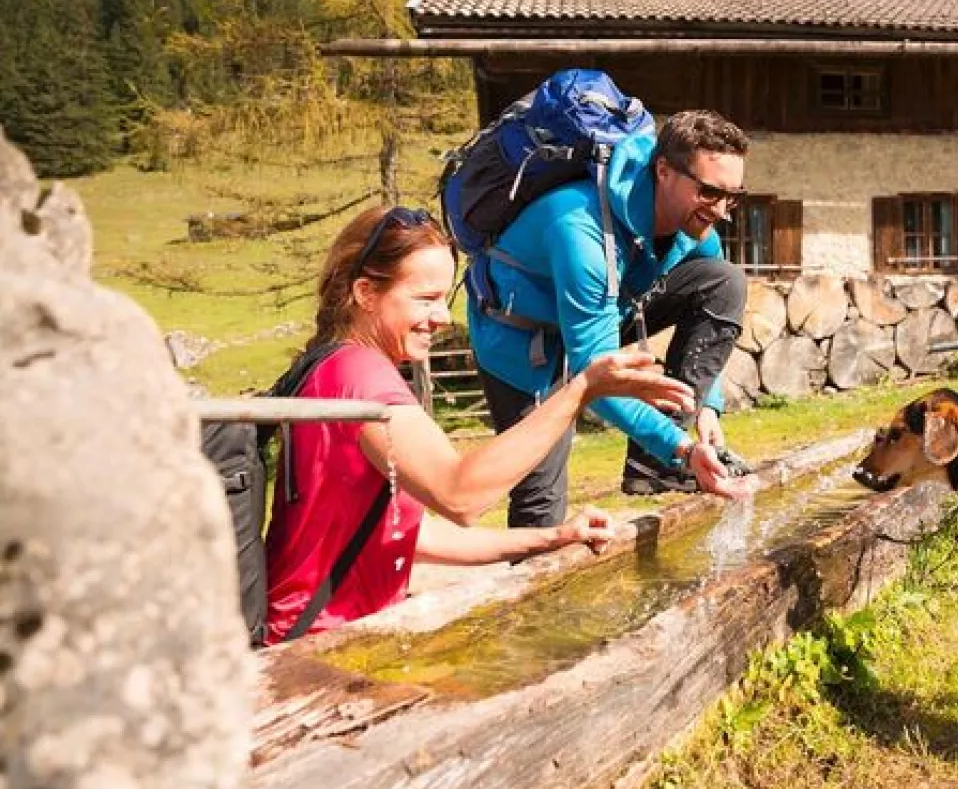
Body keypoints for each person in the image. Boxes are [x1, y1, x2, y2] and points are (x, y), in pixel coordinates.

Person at [261, 205, 695, 645]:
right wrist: (579, 390)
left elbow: (407, 536)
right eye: (425, 298)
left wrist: (553, 536)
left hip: (314, 636)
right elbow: (460, 494)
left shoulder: (331, 367)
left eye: (444, 299)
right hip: (319, 648)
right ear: (366, 293)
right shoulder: (361, 376)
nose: (444, 317)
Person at [467, 108, 759, 528]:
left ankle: (657, 465)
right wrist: (680, 446)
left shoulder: (693, 225)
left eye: (734, 196)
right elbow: (597, 376)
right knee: (542, 499)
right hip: (522, 342)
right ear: (663, 171)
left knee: (724, 280)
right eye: (711, 193)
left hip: (598, 314)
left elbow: (715, 300)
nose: (723, 210)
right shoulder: (581, 231)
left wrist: (706, 409)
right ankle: (535, 585)